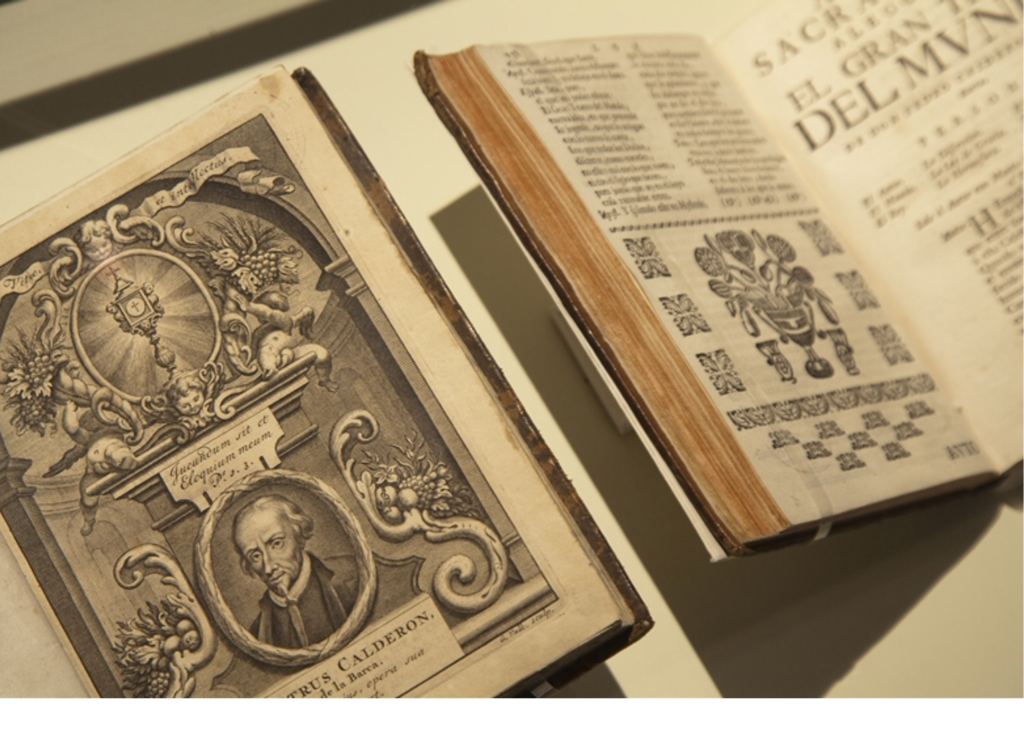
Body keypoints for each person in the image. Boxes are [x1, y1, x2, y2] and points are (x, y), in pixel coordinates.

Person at [232, 495, 358, 649]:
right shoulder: (257, 635)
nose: (268, 568)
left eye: (276, 543)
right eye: (255, 556)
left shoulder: (354, 577)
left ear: (298, 534)